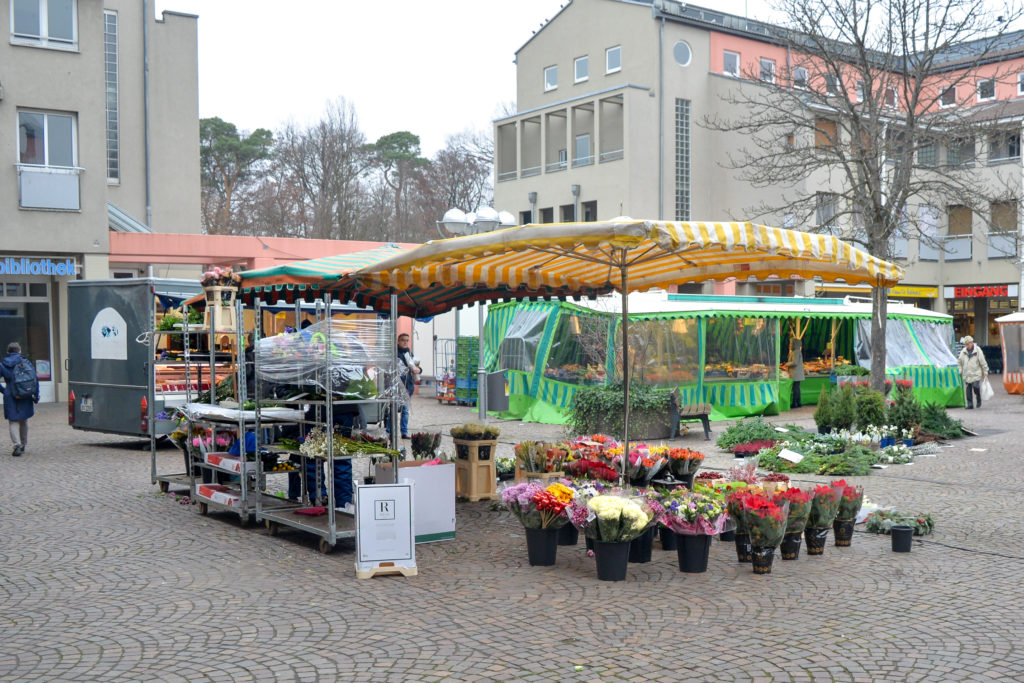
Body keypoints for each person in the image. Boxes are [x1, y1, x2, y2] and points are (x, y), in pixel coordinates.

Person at [0, 342, 39, 457]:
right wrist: (36, 394)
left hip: (10, 394)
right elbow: (34, 379)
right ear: (19, 351)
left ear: (8, 352)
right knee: (24, 420)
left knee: (13, 421)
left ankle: (16, 445)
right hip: (25, 393)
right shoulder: (26, 362)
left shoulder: (3, 364)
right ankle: (23, 444)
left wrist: (4, 390)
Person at [395, 332, 421, 439]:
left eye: (407, 340)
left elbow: (417, 366)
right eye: (403, 340)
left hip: (408, 386)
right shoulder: (395, 354)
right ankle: (389, 432)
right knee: (393, 410)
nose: (405, 342)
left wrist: (419, 370)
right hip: (396, 386)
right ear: (398, 341)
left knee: (405, 410)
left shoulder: (410, 354)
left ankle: (404, 432)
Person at [957, 335, 989, 409]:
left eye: (968, 344)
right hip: (967, 373)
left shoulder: (978, 350)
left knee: (976, 387)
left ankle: (978, 398)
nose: (967, 346)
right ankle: (970, 404)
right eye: (966, 344)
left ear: (972, 343)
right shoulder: (963, 351)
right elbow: (960, 362)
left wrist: (985, 371)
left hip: (976, 373)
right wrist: (960, 370)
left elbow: (982, 362)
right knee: (968, 390)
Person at [788, 337, 805, 408]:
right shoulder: (797, 351)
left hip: (795, 373)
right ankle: (798, 402)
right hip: (797, 373)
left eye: (791, 343)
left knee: (795, 388)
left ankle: (795, 403)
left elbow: (794, 362)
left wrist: (787, 364)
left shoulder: (796, 352)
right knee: (797, 388)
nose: (790, 345)